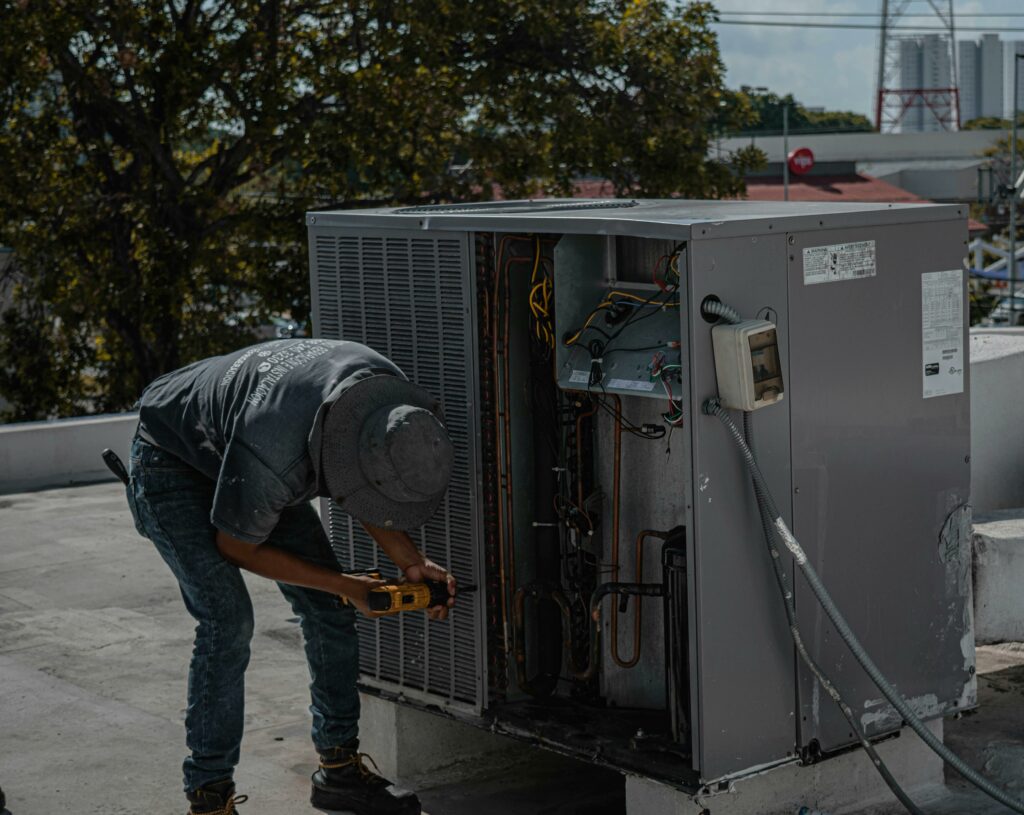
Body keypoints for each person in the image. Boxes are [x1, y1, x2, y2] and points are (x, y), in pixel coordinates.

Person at [123, 338, 456, 815]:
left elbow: (365, 479)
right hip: (171, 459)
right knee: (227, 620)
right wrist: (346, 586)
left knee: (328, 611)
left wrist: (411, 562)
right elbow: (238, 548)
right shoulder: (276, 455)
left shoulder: (384, 397)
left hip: (248, 443)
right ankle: (209, 796)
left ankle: (339, 772)